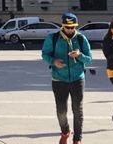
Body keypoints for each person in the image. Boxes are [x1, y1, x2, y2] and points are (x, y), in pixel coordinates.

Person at [41, 12, 92, 144]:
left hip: (77, 79)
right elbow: (45, 54)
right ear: (63, 26)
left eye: (73, 27)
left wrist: (79, 55)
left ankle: (77, 139)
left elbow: (89, 59)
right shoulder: (53, 38)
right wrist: (54, 61)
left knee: (78, 109)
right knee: (61, 111)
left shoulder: (81, 38)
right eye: (67, 27)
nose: (70, 30)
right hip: (59, 79)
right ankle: (65, 131)